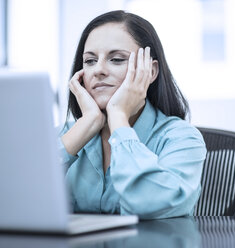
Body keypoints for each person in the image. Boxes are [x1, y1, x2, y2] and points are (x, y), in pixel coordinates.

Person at [58, 10, 206, 220]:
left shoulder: (182, 139)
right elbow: (20, 199)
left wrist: (118, 116)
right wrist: (85, 126)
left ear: (151, 71)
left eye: (117, 59)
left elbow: (147, 204)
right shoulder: (66, 133)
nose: (98, 70)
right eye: (90, 61)